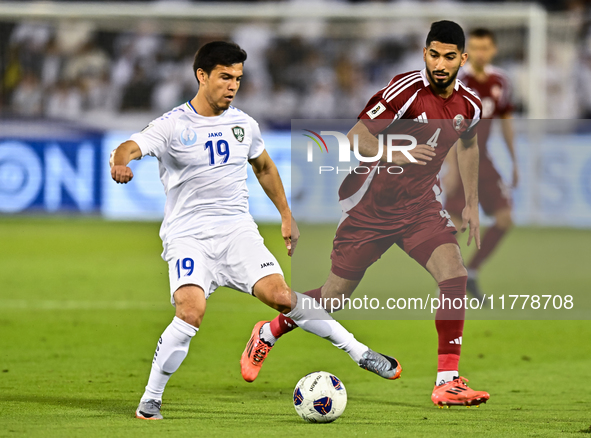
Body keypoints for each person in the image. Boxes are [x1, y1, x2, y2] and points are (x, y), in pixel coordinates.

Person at [110, 41, 401, 421]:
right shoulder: (172, 125)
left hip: (236, 233)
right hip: (189, 236)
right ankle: (151, 398)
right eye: (225, 77)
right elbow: (130, 146)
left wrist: (285, 214)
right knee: (191, 311)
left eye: (238, 79)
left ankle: (360, 353)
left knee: (282, 296)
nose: (233, 86)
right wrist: (121, 164)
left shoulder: (244, 124)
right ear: (202, 76)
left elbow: (263, 166)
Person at [241, 21, 491, 408]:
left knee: (454, 275)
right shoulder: (405, 91)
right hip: (370, 208)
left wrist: (472, 200)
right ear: (425, 54)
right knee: (332, 298)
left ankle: (448, 381)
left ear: (463, 58)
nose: (440, 64)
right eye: (433, 54)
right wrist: (398, 153)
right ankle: (269, 331)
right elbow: (357, 137)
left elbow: (470, 145)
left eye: (448, 56)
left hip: (420, 208)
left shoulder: (470, 106)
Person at [443, 28, 517, 300]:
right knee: (454, 223)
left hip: (483, 159)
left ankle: (470, 272)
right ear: (466, 52)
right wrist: (450, 167)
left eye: (485, 47)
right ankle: (451, 280)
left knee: (504, 219)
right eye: (475, 48)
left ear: (493, 50)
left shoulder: (501, 81)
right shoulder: (457, 81)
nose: (480, 53)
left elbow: (505, 121)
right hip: (461, 157)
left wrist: (514, 161)